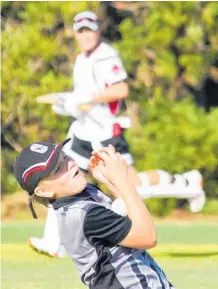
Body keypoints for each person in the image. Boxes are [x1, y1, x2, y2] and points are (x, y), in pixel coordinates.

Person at [31, 11, 205, 257]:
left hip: (104, 132)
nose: (85, 35)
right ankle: (53, 242)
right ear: (75, 33)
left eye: (89, 29)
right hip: (83, 132)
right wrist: (67, 102)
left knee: (132, 185)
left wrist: (87, 98)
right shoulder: (82, 59)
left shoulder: (106, 56)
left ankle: (187, 183)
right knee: (58, 178)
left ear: (97, 30)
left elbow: (121, 89)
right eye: (80, 30)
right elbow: (83, 98)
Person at [14, 139, 176, 289]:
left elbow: (127, 210)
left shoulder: (81, 195)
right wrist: (122, 179)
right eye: (57, 169)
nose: (69, 165)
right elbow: (147, 236)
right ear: (44, 191)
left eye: (64, 157)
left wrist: (109, 180)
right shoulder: (84, 214)